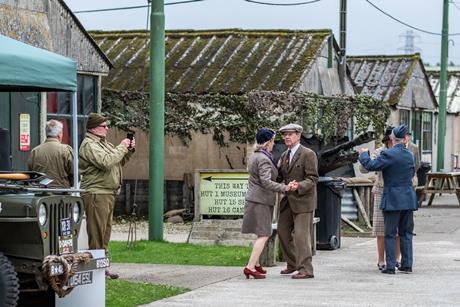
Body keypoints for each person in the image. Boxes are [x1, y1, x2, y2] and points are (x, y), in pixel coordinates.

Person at [79, 113, 135, 279]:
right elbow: (106, 162)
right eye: (104, 126)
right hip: (96, 193)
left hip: (107, 193)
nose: (107, 128)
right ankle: (96, 269)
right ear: (94, 128)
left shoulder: (103, 143)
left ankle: (102, 266)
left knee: (105, 233)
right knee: (97, 233)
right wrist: (122, 146)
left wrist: (128, 151)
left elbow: (117, 161)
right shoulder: (89, 144)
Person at [358, 124, 417, 274]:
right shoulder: (410, 155)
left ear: (391, 138)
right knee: (406, 233)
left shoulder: (387, 154)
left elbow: (370, 165)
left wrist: (364, 153)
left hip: (392, 199)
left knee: (390, 233)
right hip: (408, 198)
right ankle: (407, 265)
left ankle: (390, 266)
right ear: (405, 139)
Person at [242, 128, 297, 279]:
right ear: (268, 142)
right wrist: (285, 188)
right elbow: (266, 182)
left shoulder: (257, 156)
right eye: (273, 141)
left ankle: (257, 264)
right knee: (264, 234)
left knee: (261, 232)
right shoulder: (264, 159)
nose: (274, 144)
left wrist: (277, 166)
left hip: (255, 199)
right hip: (260, 200)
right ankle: (250, 267)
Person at [277, 123, 319, 279]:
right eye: (284, 134)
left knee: (302, 236)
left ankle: (306, 269)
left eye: (290, 134)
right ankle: (293, 263)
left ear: (298, 135)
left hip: (303, 201)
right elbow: (279, 177)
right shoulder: (284, 155)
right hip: (288, 201)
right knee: (282, 231)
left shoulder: (308, 154)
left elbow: (313, 178)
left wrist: (299, 185)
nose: (287, 137)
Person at [359, 127, 401, 271]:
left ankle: (396, 259)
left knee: (398, 229)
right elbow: (364, 169)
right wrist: (365, 156)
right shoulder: (379, 152)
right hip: (381, 191)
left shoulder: (404, 150)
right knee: (380, 228)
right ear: (389, 139)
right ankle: (381, 260)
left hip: (398, 192)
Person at [27, 119, 73, 188]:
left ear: (46, 134)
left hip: (40, 193)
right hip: (61, 193)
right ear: (59, 134)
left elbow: (30, 174)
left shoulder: (35, 151)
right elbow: (74, 175)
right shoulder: (66, 150)